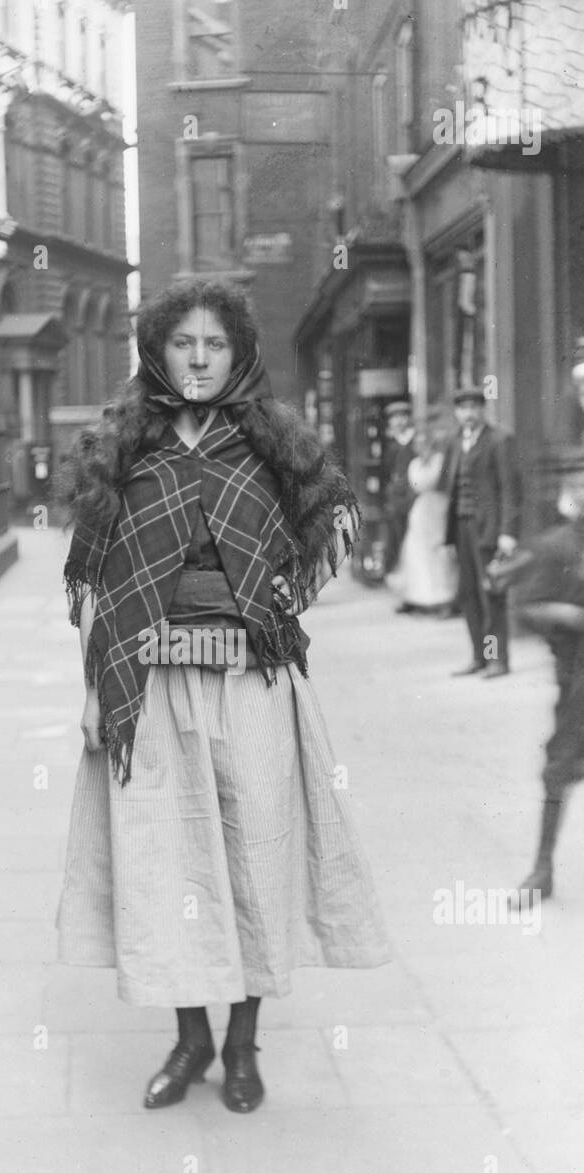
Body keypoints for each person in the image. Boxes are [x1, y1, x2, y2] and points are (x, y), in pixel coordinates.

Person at [55, 279, 390, 1114]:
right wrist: (98, 689)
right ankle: (189, 1040)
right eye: (182, 344)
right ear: (156, 351)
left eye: (214, 344)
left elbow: (334, 518)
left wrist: (284, 600)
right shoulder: (121, 446)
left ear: (237, 351)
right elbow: (94, 574)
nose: (198, 359)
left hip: (251, 684)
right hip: (152, 687)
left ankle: (242, 1046)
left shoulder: (271, 439)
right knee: (165, 864)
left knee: (254, 860)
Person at [513, 462, 584, 898]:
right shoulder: (555, 547)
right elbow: (527, 608)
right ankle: (542, 870)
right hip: (578, 684)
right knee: (558, 771)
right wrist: (572, 616)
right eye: (575, 485)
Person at [442, 386, 521, 678]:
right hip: (462, 527)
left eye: (474, 407)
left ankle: (496, 660)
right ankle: (479, 656)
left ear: (482, 410)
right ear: (456, 412)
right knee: (468, 594)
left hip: (488, 529)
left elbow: (510, 489)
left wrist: (507, 532)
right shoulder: (453, 442)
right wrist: (448, 537)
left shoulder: (499, 440)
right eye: (463, 408)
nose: (469, 413)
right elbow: (449, 490)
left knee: (491, 594)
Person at [385, 410, 459, 615]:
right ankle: (418, 597)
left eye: (425, 443)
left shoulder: (439, 460)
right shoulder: (414, 463)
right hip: (419, 509)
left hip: (437, 507)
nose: (421, 447)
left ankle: (444, 598)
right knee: (415, 551)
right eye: (419, 444)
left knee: (438, 552)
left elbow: (439, 483)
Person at [382, 399, 416, 593]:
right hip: (396, 499)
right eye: (395, 418)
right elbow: (386, 473)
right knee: (397, 539)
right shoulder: (392, 445)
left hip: (413, 497)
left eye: (403, 417)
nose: (399, 422)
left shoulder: (414, 442)